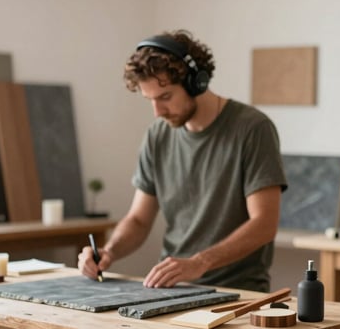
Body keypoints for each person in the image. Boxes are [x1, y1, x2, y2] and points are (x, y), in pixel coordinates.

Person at [78, 30, 287, 292]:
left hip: (238, 292)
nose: (157, 111)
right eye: (150, 100)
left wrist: (199, 262)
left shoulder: (253, 129)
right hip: (171, 288)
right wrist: (108, 252)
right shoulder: (158, 135)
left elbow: (264, 224)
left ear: (196, 82)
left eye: (165, 97)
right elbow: (139, 220)